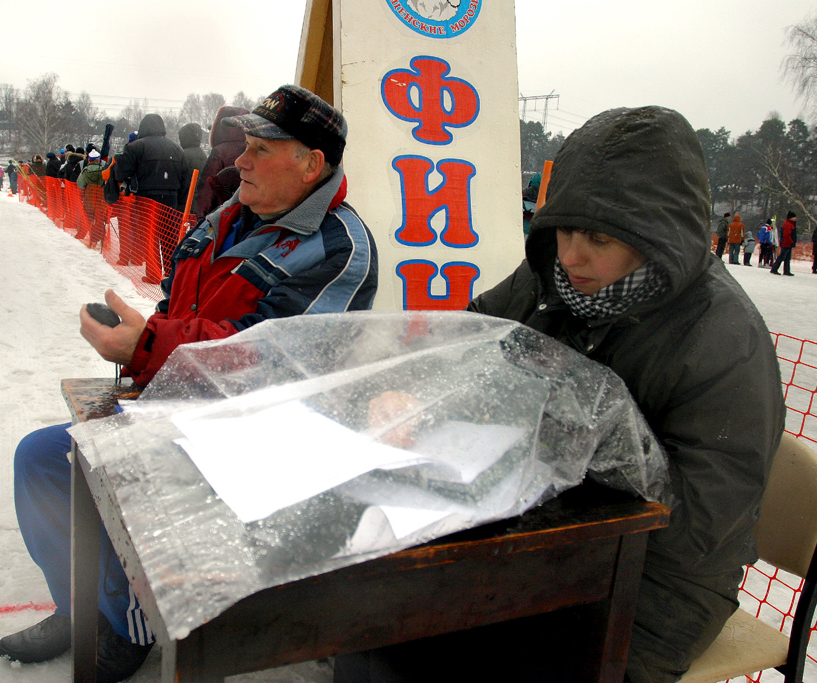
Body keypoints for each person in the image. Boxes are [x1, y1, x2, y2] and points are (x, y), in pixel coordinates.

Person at [335, 106, 784, 683]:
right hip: (532, 537)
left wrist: (610, 442)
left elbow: (701, 529)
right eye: (567, 231)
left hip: (650, 583)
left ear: (659, 237)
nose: (572, 256)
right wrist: (407, 388)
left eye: (598, 238)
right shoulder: (551, 279)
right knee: (385, 620)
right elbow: (468, 342)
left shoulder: (723, 341)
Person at [0, 84, 379, 683]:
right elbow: (177, 307)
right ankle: (80, 610)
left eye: (259, 149)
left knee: (116, 479)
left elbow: (272, 360)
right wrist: (140, 337)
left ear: (311, 164)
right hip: (178, 405)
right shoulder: (227, 217)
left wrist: (147, 345)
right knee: (42, 460)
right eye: (244, 146)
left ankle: (128, 627)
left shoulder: (340, 247)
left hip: (257, 438)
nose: (239, 161)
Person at [113, 113, 191, 210]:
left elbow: (121, 174)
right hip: (170, 200)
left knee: (145, 220)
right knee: (166, 220)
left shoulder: (135, 147)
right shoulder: (177, 149)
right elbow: (185, 179)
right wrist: (180, 203)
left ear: (142, 128)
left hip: (143, 199)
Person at [192, 105, 250, 221]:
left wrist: (201, 217)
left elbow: (206, 191)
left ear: (220, 128)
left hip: (222, 216)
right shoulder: (254, 149)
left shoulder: (220, 152)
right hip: (250, 214)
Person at [770, 211, 798, 276]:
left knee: (787, 258)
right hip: (787, 243)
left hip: (788, 243)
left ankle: (786, 270)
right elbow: (787, 235)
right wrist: (791, 241)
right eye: (794, 217)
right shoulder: (788, 224)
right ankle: (775, 269)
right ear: (791, 217)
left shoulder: (790, 224)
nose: (795, 218)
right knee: (782, 257)